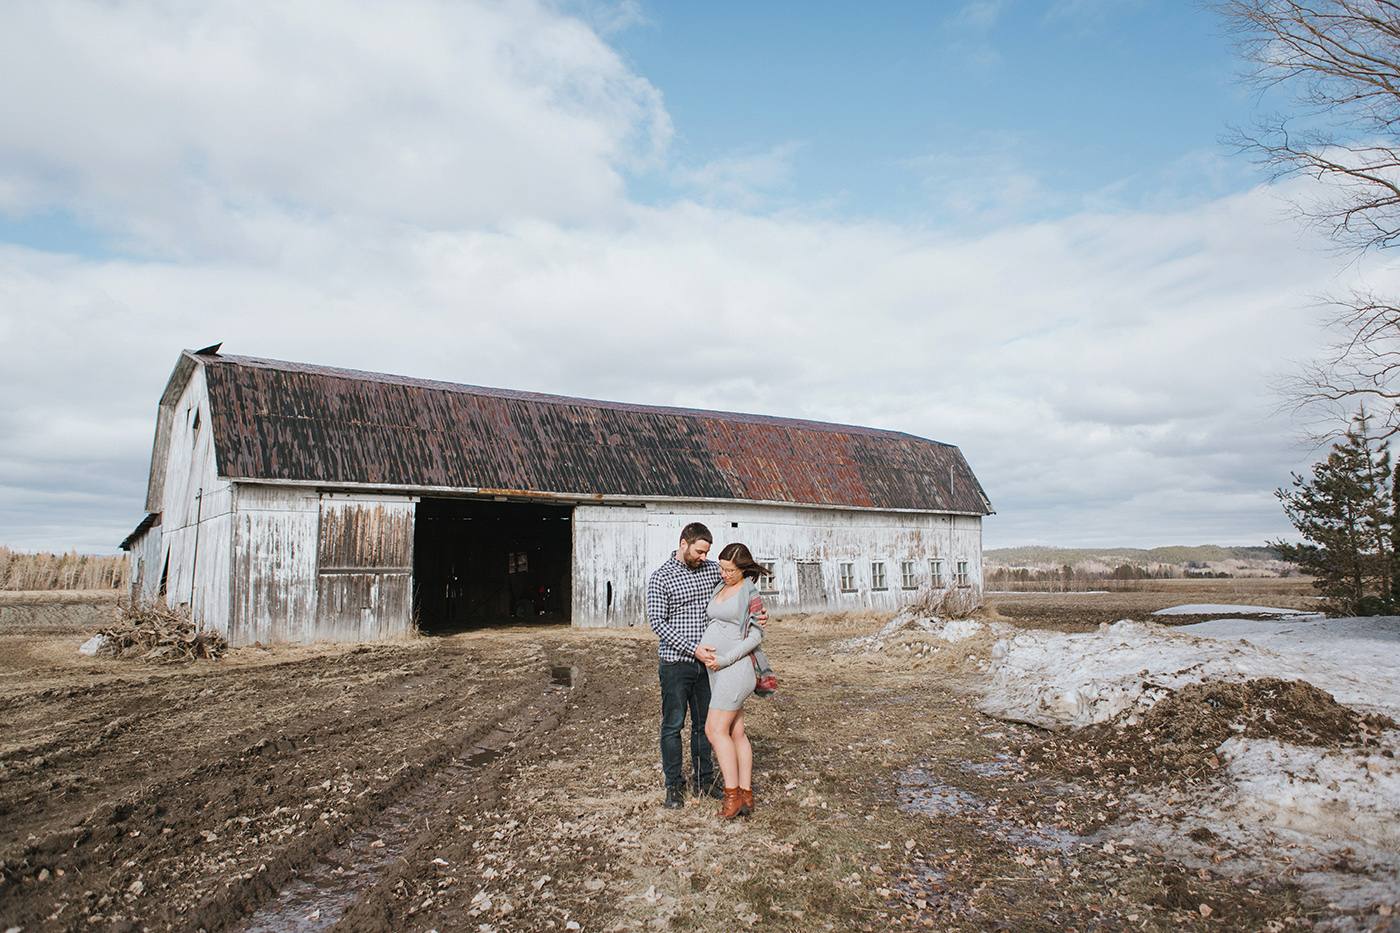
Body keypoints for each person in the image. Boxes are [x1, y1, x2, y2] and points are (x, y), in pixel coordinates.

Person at [646, 522, 766, 809]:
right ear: (684, 543)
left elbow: (741, 586)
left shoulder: (714, 570)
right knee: (673, 725)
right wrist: (693, 649)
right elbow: (657, 623)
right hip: (677, 662)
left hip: (711, 666)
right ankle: (674, 785)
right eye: (700, 551)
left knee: (705, 726)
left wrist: (759, 616)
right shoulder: (661, 578)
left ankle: (704, 780)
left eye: (707, 552)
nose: (704, 557)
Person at [699, 542, 766, 819]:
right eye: (722, 568)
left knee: (714, 731)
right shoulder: (721, 586)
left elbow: (755, 636)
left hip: (736, 669)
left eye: (730, 570)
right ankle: (746, 796)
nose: (724, 574)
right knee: (736, 732)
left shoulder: (749, 592)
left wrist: (724, 660)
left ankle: (732, 796)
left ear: (743, 569)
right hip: (718, 671)